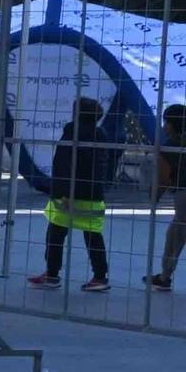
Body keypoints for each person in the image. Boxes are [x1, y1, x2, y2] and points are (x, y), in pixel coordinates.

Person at [29, 96, 113, 293]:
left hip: (67, 194)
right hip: (93, 193)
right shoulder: (100, 135)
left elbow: (64, 165)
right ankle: (100, 276)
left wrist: (64, 192)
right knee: (93, 235)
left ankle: (52, 274)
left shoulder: (71, 134)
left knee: (56, 233)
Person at [147, 103, 186, 292]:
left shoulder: (169, 146)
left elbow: (164, 178)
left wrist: (154, 196)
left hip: (184, 195)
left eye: (165, 122)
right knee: (174, 235)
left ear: (169, 124)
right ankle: (164, 277)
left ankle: (164, 276)